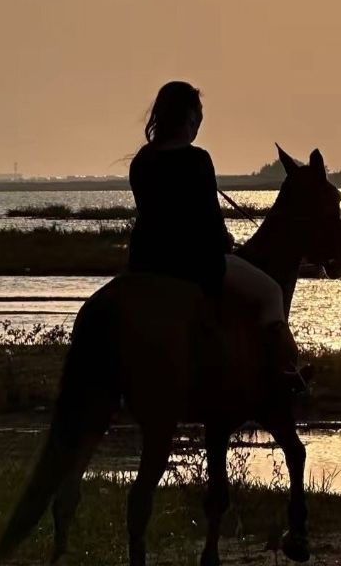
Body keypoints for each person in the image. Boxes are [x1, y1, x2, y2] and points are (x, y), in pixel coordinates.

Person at [128, 80, 304, 391]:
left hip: (146, 264)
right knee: (271, 292)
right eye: (198, 117)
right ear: (190, 118)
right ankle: (281, 373)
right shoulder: (198, 160)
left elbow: (153, 216)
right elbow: (210, 222)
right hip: (194, 266)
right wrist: (225, 241)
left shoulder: (142, 160)